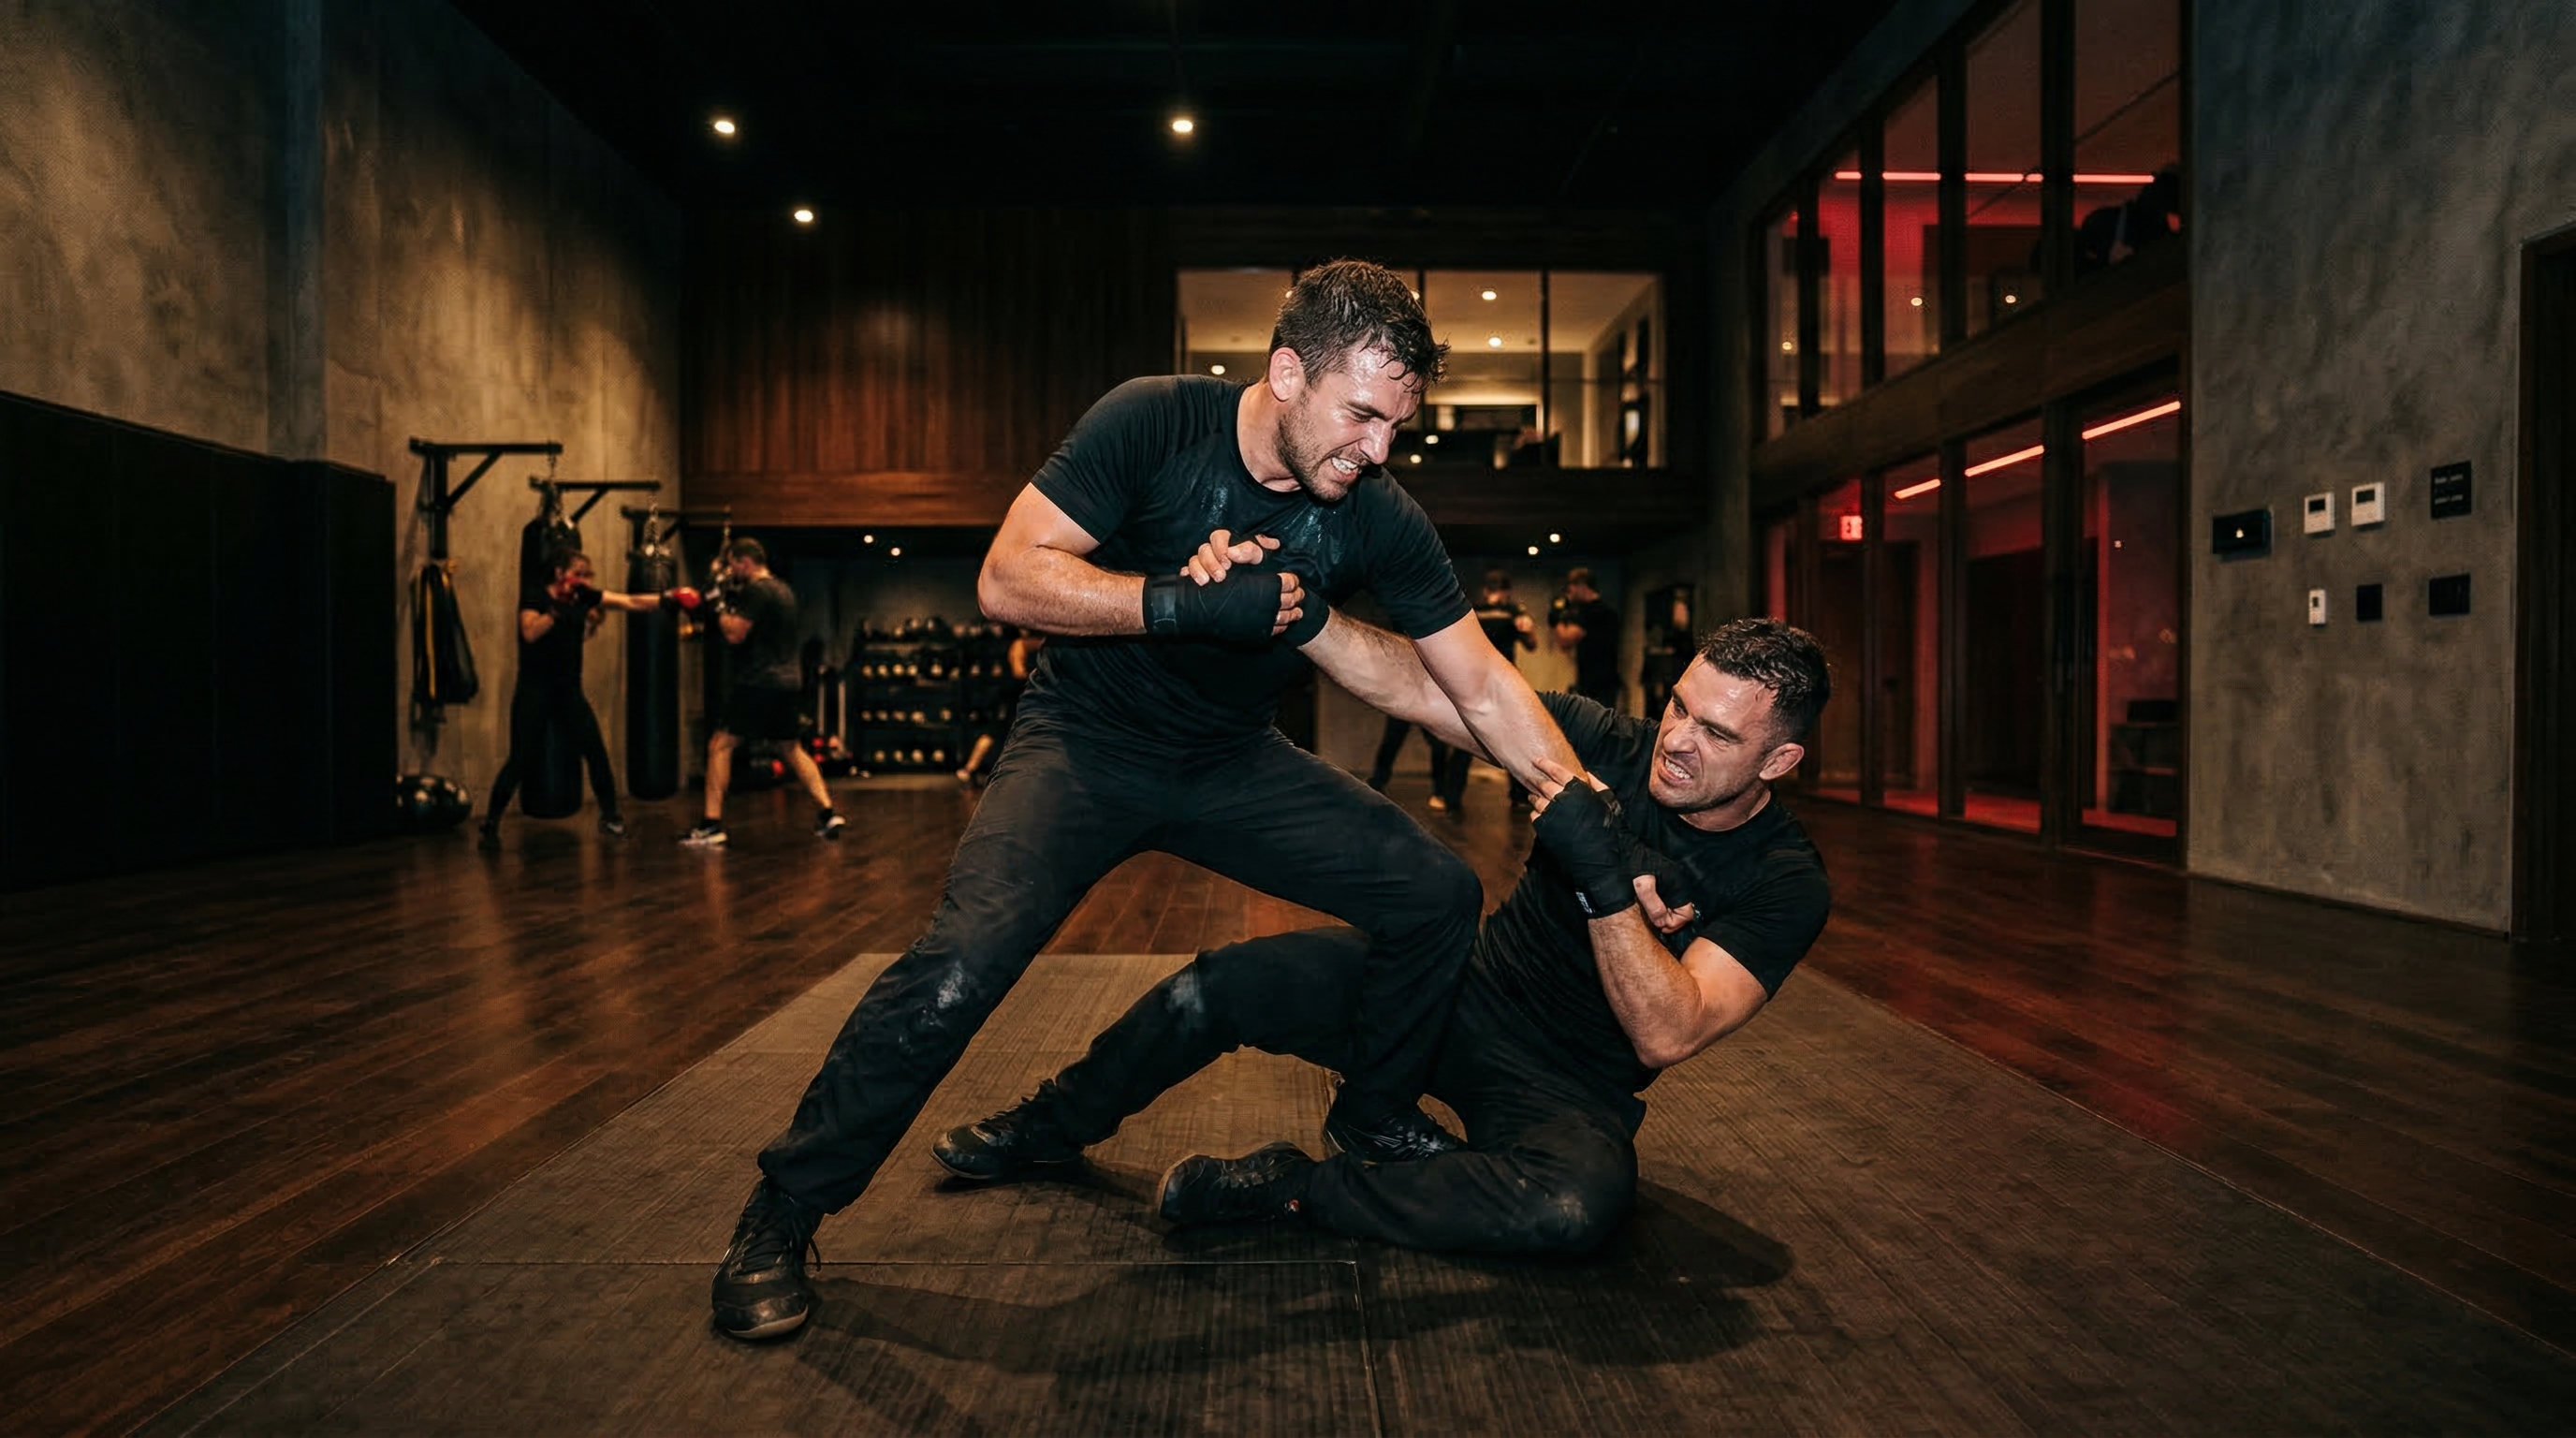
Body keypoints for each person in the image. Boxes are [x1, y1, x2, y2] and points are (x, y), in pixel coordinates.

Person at [709, 258, 1600, 1342]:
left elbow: (1475, 683)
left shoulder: (1374, 511)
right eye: (1362, 415)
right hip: (1082, 744)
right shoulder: (1153, 422)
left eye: (1396, 427)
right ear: (1285, 372)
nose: (1378, 450)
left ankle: (1372, 1120)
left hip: (1231, 759)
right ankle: (785, 1206)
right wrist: (1180, 604)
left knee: (1434, 890)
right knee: (957, 969)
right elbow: (1006, 578)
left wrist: (1579, 795)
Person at [931, 617, 1833, 1257]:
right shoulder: (1603, 742)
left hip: (1566, 1082)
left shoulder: (1783, 880)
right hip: (1454, 992)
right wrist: (1302, 610)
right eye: (1678, 706)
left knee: (1575, 1206)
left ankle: (1294, 1187)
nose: (1677, 740)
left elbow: (1668, 1031)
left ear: (1779, 761)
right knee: (1220, 986)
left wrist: (1603, 883)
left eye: (1715, 733)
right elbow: (1423, 684)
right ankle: (1048, 1128)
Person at [476, 549, 668, 849]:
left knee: (596, 752)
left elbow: (628, 601)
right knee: (520, 760)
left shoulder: (584, 596)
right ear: (559, 572)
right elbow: (529, 633)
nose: (583, 579)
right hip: (534, 691)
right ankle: (490, 825)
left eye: (587, 574)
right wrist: (557, 610)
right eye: (577, 573)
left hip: (568, 692)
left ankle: (610, 818)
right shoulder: (535, 596)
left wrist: (669, 599)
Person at [681, 537, 846, 847]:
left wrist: (716, 600)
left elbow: (734, 633)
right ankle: (827, 812)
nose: (731, 572)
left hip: (759, 681)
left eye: (733, 566)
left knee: (720, 744)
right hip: (787, 681)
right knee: (791, 748)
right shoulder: (783, 590)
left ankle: (711, 823)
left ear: (744, 562)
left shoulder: (756, 591)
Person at [1470, 568, 1539, 811]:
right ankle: (1451, 796)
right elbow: (1531, 644)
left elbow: (1531, 644)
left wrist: (1526, 628)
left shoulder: (1503, 612)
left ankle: (1518, 796)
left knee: (1506, 736)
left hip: (1492, 680)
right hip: (1491, 680)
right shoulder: (1494, 611)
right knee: (1504, 737)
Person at [956, 630, 1043, 786]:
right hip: (1012, 695)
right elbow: (1018, 673)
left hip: (1023, 695)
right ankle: (969, 769)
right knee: (994, 731)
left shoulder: (1040, 646)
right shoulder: (1020, 645)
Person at [1551, 565, 1623, 712]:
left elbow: (1566, 640)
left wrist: (1557, 616)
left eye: (1571, 589)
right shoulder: (1603, 610)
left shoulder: (1594, 612)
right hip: (1595, 682)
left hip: (1598, 685)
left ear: (1581, 586)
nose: (1569, 595)